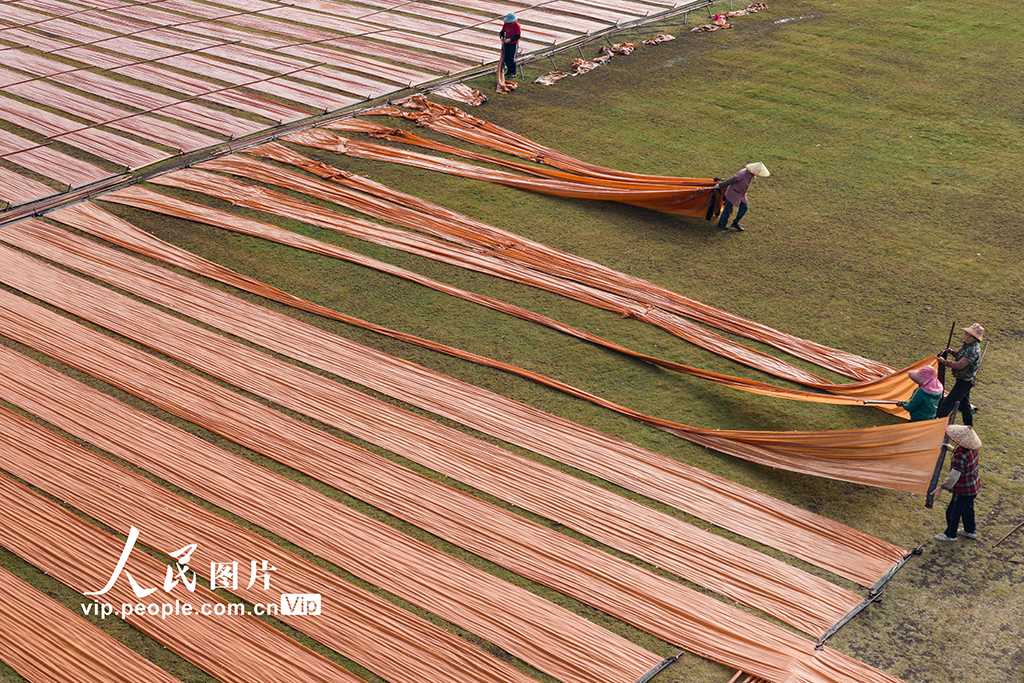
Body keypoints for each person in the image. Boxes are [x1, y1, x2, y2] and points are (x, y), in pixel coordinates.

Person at [930, 425, 981, 541]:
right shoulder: (973, 448)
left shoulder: (960, 456)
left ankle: (950, 534)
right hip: (973, 487)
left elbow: (953, 477)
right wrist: (952, 449)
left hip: (963, 490)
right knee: (968, 509)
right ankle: (970, 530)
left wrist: (941, 488)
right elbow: (966, 458)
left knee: (953, 512)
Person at [936, 323, 983, 426]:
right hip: (964, 380)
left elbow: (960, 365)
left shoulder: (972, 350)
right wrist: (952, 352)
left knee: (948, 403)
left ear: (975, 338)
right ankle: (969, 426)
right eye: (966, 334)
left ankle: (936, 423)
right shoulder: (968, 346)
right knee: (964, 405)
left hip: (964, 382)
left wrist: (944, 362)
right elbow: (961, 356)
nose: (967, 337)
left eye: (970, 336)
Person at [714, 162, 769, 231]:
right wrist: (720, 185)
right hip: (732, 193)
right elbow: (730, 181)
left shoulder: (752, 175)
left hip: (742, 195)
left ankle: (735, 223)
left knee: (744, 208)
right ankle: (721, 224)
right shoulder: (742, 174)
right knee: (727, 210)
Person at [499, 13, 521, 78]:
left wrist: (510, 39)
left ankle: (513, 72)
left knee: (512, 58)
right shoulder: (506, 25)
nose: (509, 24)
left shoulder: (517, 26)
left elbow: (518, 36)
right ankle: (509, 70)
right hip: (506, 44)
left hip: (513, 44)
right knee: (506, 58)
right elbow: (502, 32)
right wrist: (502, 37)